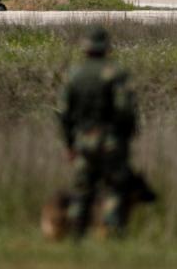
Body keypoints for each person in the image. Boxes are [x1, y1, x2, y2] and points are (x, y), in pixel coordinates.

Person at [57, 26, 139, 238]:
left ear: (85, 48)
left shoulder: (74, 75)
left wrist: (68, 144)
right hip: (110, 140)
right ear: (106, 48)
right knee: (114, 188)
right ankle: (112, 232)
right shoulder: (116, 73)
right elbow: (125, 110)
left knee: (82, 189)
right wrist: (126, 136)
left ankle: (76, 234)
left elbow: (64, 114)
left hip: (83, 141)